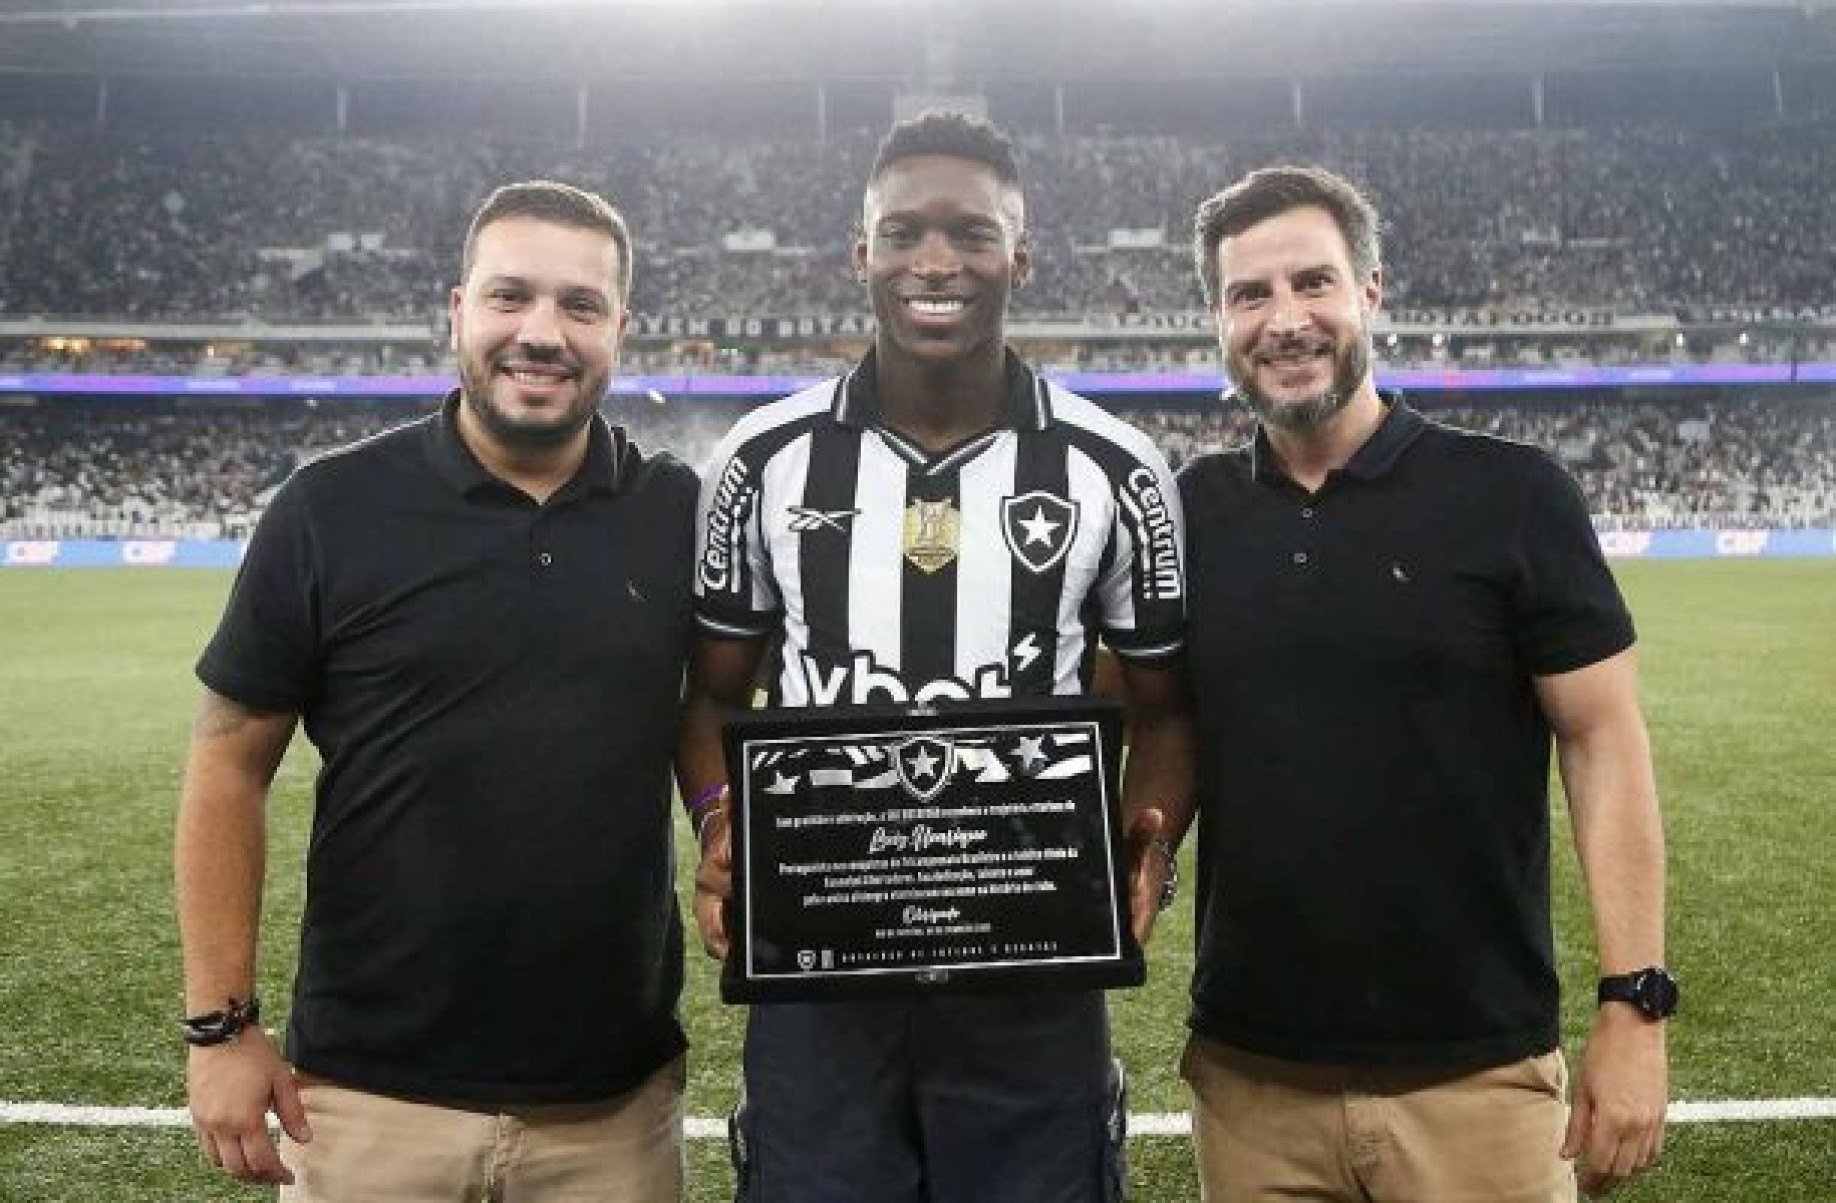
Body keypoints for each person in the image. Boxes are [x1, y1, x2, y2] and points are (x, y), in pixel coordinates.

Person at [677, 111, 1194, 1202]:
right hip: (819, 963)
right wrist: (722, 817)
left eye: (971, 233)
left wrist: (1147, 843)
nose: (936, 261)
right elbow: (712, 693)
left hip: (1032, 960)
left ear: (1021, 257)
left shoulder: (1115, 467)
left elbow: (1165, 707)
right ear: (860, 253)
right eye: (905, 232)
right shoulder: (762, 458)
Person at [174, 180, 699, 1200]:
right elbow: (227, 764)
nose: (541, 331)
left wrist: (722, 819)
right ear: (458, 310)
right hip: (365, 1098)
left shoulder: (674, 511)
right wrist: (219, 1027)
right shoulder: (329, 507)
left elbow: (708, 717)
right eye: (510, 296)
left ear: (620, 330)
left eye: (579, 305)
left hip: (611, 1107)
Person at [1172, 164, 1673, 1202]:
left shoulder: (1514, 496)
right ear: (1217, 317)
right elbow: (1158, 726)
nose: (1284, 319)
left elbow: (1604, 741)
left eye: (1313, 282)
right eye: (1249, 293)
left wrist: (1635, 1006)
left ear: (1371, 290)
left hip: (1479, 1080)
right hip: (1251, 1086)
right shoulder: (1185, 514)